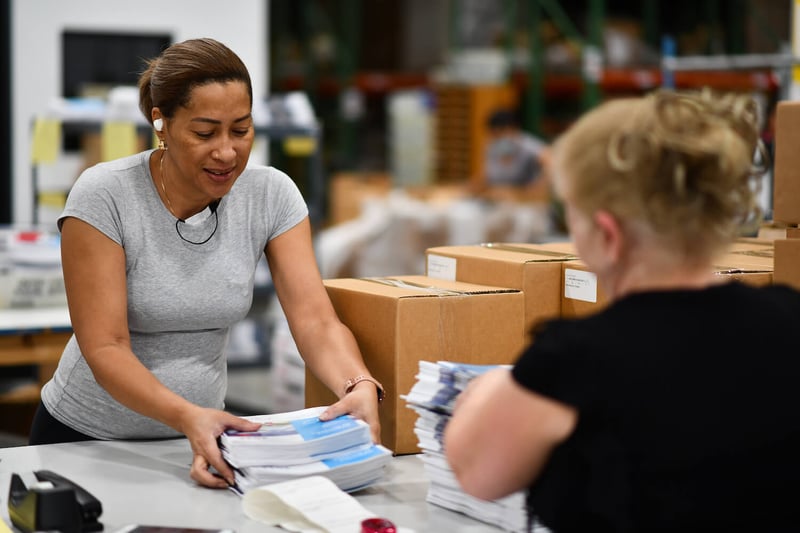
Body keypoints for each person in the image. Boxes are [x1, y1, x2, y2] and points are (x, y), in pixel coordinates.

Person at [29, 38, 383, 490]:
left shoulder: (270, 195)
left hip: (198, 440)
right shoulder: (105, 195)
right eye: (204, 132)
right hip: (86, 441)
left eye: (241, 130)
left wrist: (358, 384)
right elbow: (106, 347)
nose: (226, 152)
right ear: (162, 122)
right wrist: (187, 415)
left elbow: (315, 319)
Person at [443, 89, 800, 532]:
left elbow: (475, 469)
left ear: (609, 236)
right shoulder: (790, 317)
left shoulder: (573, 360)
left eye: (572, 215)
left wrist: (496, 386)